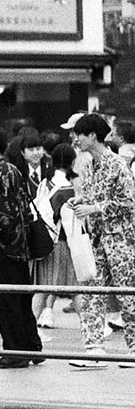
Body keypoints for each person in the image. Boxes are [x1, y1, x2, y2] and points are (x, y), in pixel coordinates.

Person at [67, 113, 135, 369]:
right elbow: (96, 197)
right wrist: (81, 201)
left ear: (92, 135)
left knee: (127, 295)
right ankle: (93, 348)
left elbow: (129, 202)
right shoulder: (92, 165)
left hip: (120, 241)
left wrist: (94, 208)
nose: (76, 140)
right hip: (97, 241)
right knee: (92, 293)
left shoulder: (117, 164)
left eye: (80, 135)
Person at [0, 124, 43, 368]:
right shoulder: (13, 170)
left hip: (4, 247)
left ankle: (14, 351)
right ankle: (32, 346)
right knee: (21, 299)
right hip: (19, 247)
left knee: (6, 300)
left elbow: (4, 214)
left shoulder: (1, 172)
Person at [31, 143, 79, 330]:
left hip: (46, 240)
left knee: (43, 287)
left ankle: (29, 327)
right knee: (75, 288)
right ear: (72, 161)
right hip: (66, 241)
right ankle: (89, 329)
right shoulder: (70, 187)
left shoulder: (45, 182)